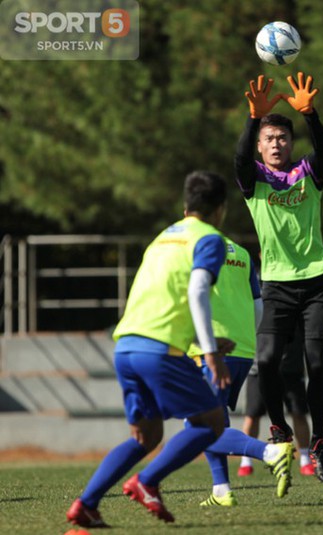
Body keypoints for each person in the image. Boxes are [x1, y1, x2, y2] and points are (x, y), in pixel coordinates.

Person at [66, 171, 234, 528]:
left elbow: (163, 298)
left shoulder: (161, 239)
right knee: (213, 421)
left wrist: (203, 342)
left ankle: (87, 504)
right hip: (159, 350)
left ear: (185, 204)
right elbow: (198, 290)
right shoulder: (210, 238)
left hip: (127, 346)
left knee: (146, 435)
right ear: (220, 209)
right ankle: (147, 482)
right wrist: (211, 352)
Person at [234, 72, 323, 483]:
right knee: (267, 360)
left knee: (316, 364)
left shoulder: (308, 173)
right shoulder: (253, 180)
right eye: (269, 138)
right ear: (260, 146)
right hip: (276, 284)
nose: (276, 143)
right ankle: (279, 428)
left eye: (282, 137)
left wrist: (310, 115)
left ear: (291, 144)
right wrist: (251, 118)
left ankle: (320, 443)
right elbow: (238, 161)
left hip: (317, 281)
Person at [187, 235, 295, 507]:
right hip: (243, 349)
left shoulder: (193, 247)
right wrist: (248, 339)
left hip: (210, 349)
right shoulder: (243, 254)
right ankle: (221, 489)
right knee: (216, 420)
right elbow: (258, 305)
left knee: (198, 427)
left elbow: (191, 293)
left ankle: (269, 452)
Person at [238, 323, 314, 477]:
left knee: (298, 413)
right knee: (252, 414)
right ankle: (246, 461)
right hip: (258, 369)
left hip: (291, 368)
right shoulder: (259, 303)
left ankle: (305, 459)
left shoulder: (294, 305)